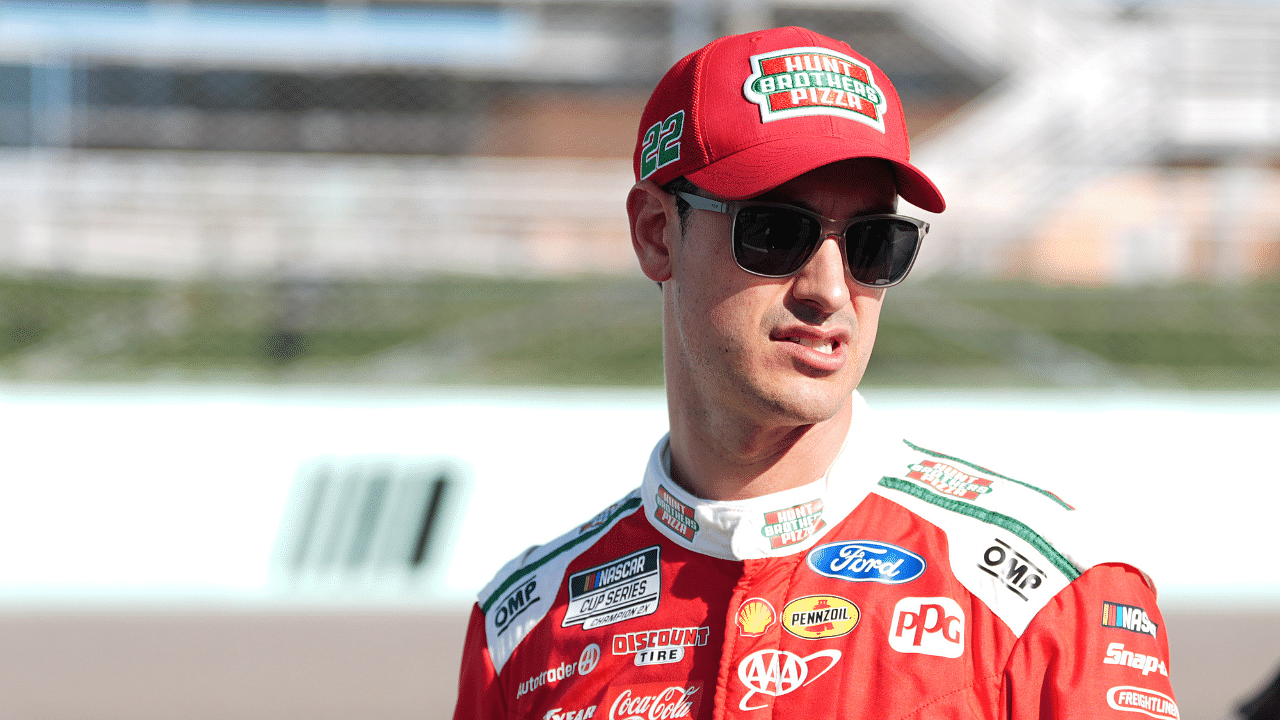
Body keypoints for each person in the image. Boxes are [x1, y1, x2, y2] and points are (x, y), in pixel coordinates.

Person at [453, 26, 1177, 720]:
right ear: (655, 234)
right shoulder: (521, 630)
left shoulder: (1055, 595)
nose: (831, 290)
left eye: (873, 244)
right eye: (774, 232)